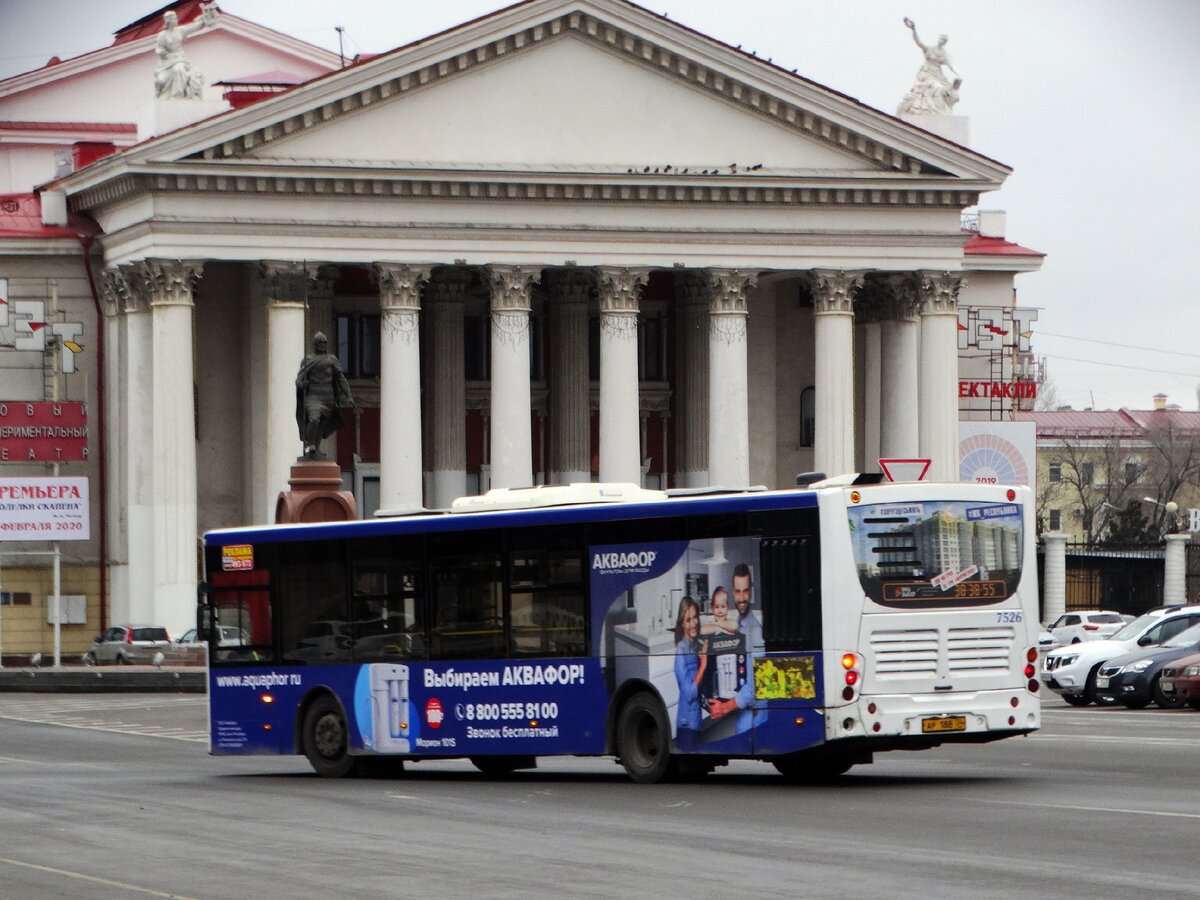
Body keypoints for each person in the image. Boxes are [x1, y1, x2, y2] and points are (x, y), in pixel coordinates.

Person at [708, 564, 763, 729]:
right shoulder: (738, 624)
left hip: (757, 711)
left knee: (742, 730)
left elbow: (754, 685)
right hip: (745, 707)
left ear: (751, 592)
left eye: (745, 591)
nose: (742, 598)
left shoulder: (755, 631)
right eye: (738, 592)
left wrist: (724, 707)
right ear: (733, 593)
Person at [295, 331, 354, 459]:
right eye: (320, 342)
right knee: (314, 419)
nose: (323, 345)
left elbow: (341, 378)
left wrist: (348, 396)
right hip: (313, 397)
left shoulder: (332, 360)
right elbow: (298, 380)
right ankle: (310, 445)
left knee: (321, 426)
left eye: (325, 342)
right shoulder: (308, 361)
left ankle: (316, 449)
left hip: (328, 397)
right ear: (315, 344)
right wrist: (302, 384)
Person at [897, 17, 961, 116]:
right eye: (940, 39)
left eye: (943, 40)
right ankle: (927, 109)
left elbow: (951, 65)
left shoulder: (944, 54)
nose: (941, 41)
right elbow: (919, 42)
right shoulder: (930, 49)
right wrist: (914, 30)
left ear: (944, 43)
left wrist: (958, 73)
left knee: (940, 88)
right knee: (931, 87)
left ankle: (937, 110)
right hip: (927, 73)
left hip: (937, 73)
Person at [154, 4, 218, 100]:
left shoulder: (180, 30)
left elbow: (194, 27)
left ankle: (177, 95)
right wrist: (166, 55)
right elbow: (160, 50)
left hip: (180, 59)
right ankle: (165, 96)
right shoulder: (162, 36)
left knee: (178, 69)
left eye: (176, 17)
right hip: (167, 62)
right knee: (161, 81)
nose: (176, 19)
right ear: (168, 21)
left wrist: (205, 19)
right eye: (174, 18)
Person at [672, 596, 707, 748]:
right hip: (687, 726)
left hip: (696, 722)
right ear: (682, 623)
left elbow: (700, 690)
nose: (693, 623)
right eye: (688, 620)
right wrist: (703, 664)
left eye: (695, 617)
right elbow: (690, 693)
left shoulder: (695, 646)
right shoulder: (681, 651)